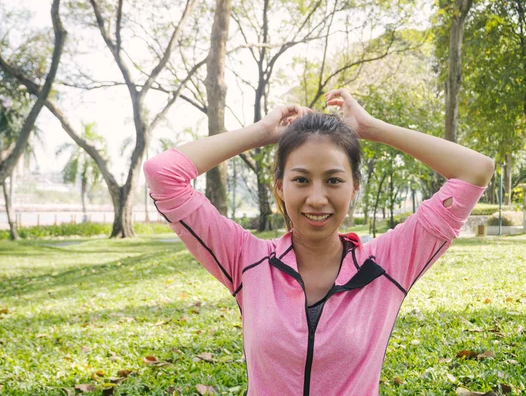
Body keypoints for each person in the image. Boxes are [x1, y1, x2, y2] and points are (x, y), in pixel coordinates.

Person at [143, 89, 494, 396]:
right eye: (300, 179)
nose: (316, 198)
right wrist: (261, 133)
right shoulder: (246, 260)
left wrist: (372, 129)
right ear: (280, 186)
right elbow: (163, 174)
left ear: (354, 187)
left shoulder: (385, 266)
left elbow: (475, 169)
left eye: (333, 180)